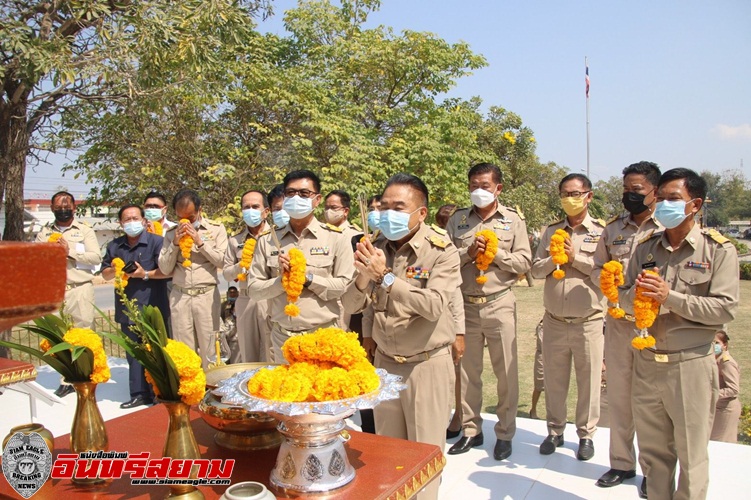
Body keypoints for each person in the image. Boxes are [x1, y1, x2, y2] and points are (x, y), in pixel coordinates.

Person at [620, 168, 739, 500]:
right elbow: (622, 296)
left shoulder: (717, 250)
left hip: (690, 366)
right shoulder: (646, 247)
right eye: (660, 198)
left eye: (674, 199)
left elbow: (724, 309)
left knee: (691, 455)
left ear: (695, 204)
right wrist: (639, 298)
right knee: (654, 457)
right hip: (647, 364)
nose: (663, 205)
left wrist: (668, 297)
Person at [342, 173, 460, 500]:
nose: (389, 213)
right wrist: (365, 279)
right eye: (386, 205)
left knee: (424, 455)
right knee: (389, 454)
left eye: (399, 206)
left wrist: (386, 277)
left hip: (426, 365)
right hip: (385, 366)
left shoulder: (440, 250)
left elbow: (434, 306)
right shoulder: (376, 246)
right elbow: (351, 305)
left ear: (421, 213)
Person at [445, 163, 531, 461]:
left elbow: (524, 263)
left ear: (498, 188)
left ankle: (505, 433)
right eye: (473, 185)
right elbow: (442, 260)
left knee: (506, 371)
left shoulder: (513, 221)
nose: (477, 191)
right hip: (465, 305)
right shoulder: (458, 220)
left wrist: (497, 255)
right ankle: (471, 430)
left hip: (499, 303)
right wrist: (467, 254)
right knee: (467, 373)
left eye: (484, 185)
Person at [591, 161, 663, 489]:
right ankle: (621, 463)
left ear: (654, 192)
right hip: (619, 324)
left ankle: (653, 471)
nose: (629, 196)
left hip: (654, 329)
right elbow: (595, 268)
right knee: (619, 397)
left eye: (636, 191)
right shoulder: (613, 229)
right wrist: (609, 279)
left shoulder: (666, 228)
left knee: (649, 402)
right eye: (625, 190)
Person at [531, 173, 605, 461]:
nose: (569, 199)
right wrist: (555, 258)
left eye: (575, 193)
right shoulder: (551, 231)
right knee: (554, 379)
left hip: (588, 321)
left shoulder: (602, 233)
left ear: (589, 196)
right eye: (564, 193)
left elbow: (607, 276)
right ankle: (555, 430)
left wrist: (576, 259)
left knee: (588, 383)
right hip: (554, 321)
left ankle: (586, 435)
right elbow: (536, 271)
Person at [248, 170, 355, 362]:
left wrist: (307, 279)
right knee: (285, 391)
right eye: (290, 193)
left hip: (322, 337)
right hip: (282, 339)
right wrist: (282, 281)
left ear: (317, 199)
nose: (296, 198)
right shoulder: (267, 240)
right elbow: (254, 290)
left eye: (304, 194)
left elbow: (344, 287)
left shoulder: (336, 237)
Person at [101, 204, 171, 408]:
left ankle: (159, 392)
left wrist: (144, 274)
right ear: (120, 223)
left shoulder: (157, 242)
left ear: (143, 220)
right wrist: (114, 269)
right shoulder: (115, 246)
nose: (131, 223)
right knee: (133, 353)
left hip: (153, 305)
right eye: (126, 219)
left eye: (135, 218)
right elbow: (104, 273)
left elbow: (168, 271)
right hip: (127, 307)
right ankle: (139, 393)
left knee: (156, 350)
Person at [35, 191, 102, 398]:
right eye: (58, 206)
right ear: (52, 208)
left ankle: (86, 376)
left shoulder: (84, 231)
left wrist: (69, 251)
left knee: (84, 334)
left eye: (67, 206)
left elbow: (95, 257)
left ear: (74, 208)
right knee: (59, 337)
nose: (63, 209)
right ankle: (65, 380)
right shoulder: (43, 233)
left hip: (80, 288)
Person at [158, 188, 228, 370]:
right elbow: (165, 269)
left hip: (206, 296)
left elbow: (223, 261)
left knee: (210, 348)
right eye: (181, 217)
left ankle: (210, 390)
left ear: (199, 211)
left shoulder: (216, 229)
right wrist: (174, 244)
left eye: (190, 218)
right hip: (180, 296)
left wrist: (200, 242)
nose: (186, 222)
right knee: (184, 349)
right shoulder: (171, 234)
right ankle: (190, 392)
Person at [222, 190, 271, 363]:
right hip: (246, 299)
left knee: (271, 350)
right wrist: (240, 265)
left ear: (266, 211)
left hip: (270, 299)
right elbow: (226, 273)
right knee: (248, 354)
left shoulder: (277, 237)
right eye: (246, 207)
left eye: (255, 206)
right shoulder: (235, 241)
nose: (250, 210)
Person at [434, 204, 466, 441]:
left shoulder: (444, 250)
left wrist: (459, 332)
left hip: (447, 324)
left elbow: (455, 296)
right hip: (429, 329)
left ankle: (459, 418)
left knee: (457, 375)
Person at [711, 330, 741, 443]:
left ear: (724, 345)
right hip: (717, 407)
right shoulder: (714, 360)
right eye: (711, 343)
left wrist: (711, 394)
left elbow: (733, 389)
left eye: (717, 343)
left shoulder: (726, 363)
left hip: (725, 410)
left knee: (720, 444)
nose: (714, 346)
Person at [219, 286, 240, 362]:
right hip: (227, 331)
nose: (232, 294)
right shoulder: (224, 305)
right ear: (227, 294)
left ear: (237, 293)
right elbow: (221, 316)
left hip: (237, 332)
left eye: (234, 292)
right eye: (230, 293)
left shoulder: (240, 303)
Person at [529, 319, 544, 420]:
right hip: (542, 357)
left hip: (556, 357)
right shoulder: (541, 326)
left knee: (557, 388)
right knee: (538, 386)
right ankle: (533, 410)